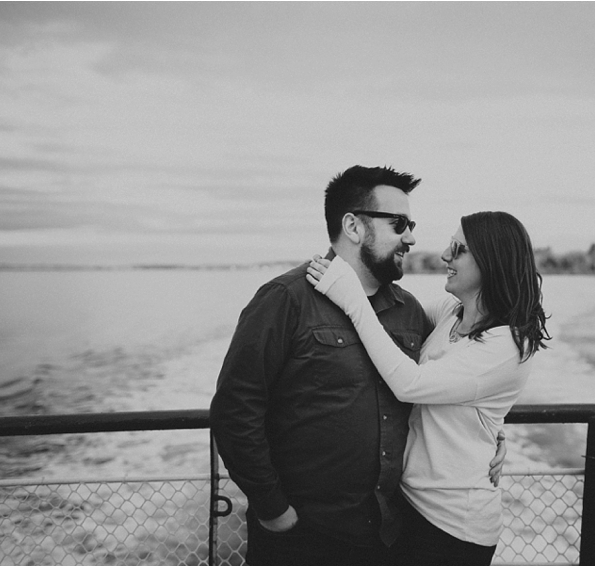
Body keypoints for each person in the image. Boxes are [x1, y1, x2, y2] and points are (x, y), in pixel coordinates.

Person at [209, 166, 504, 566]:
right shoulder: (285, 300)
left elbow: (462, 374)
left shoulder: (409, 311)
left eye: (411, 224)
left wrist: (492, 434)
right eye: (398, 224)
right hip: (301, 539)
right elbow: (235, 411)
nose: (411, 238)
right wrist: (273, 510)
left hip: (387, 536)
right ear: (352, 226)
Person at [307, 210, 551, 565]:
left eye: (458, 248)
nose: (445, 256)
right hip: (409, 502)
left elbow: (410, 383)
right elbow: (394, 318)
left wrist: (351, 299)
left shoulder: (508, 345)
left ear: (490, 261)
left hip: (453, 525)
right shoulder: (454, 312)